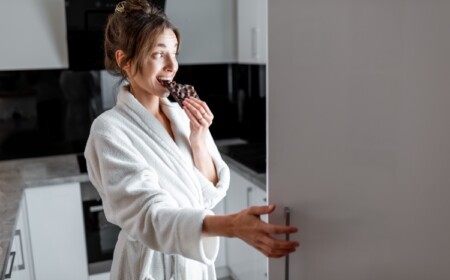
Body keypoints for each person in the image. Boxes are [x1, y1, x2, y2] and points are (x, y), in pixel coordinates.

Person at [84, 0, 299, 279]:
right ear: (124, 61)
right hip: (152, 267)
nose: (172, 65)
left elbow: (209, 193)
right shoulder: (108, 131)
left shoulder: (181, 116)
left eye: (174, 53)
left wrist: (198, 137)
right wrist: (231, 225)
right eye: (158, 54)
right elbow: (148, 216)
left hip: (193, 265)